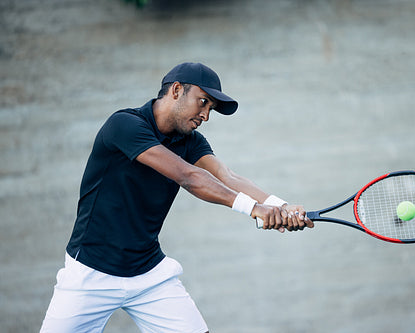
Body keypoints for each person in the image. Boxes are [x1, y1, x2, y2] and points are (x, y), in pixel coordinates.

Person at [40, 62, 314, 333]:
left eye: (211, 109)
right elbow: (188, 176)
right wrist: (254, 208)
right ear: (176, 90)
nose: (205, 115)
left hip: (149, 274)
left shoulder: (191, 141)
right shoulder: (124, 125)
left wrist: (281, 207)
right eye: (203, 102)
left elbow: (227, 176)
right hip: (90, 271)